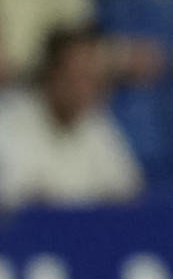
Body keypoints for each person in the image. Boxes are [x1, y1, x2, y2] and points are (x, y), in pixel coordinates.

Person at [0, 25, 143, 211]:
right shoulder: (10, 119)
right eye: (76, 76)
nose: (84, 88)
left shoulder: (97, 122)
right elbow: (21, 201)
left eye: (93, 78)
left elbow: (127, 193)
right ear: (51, 74)